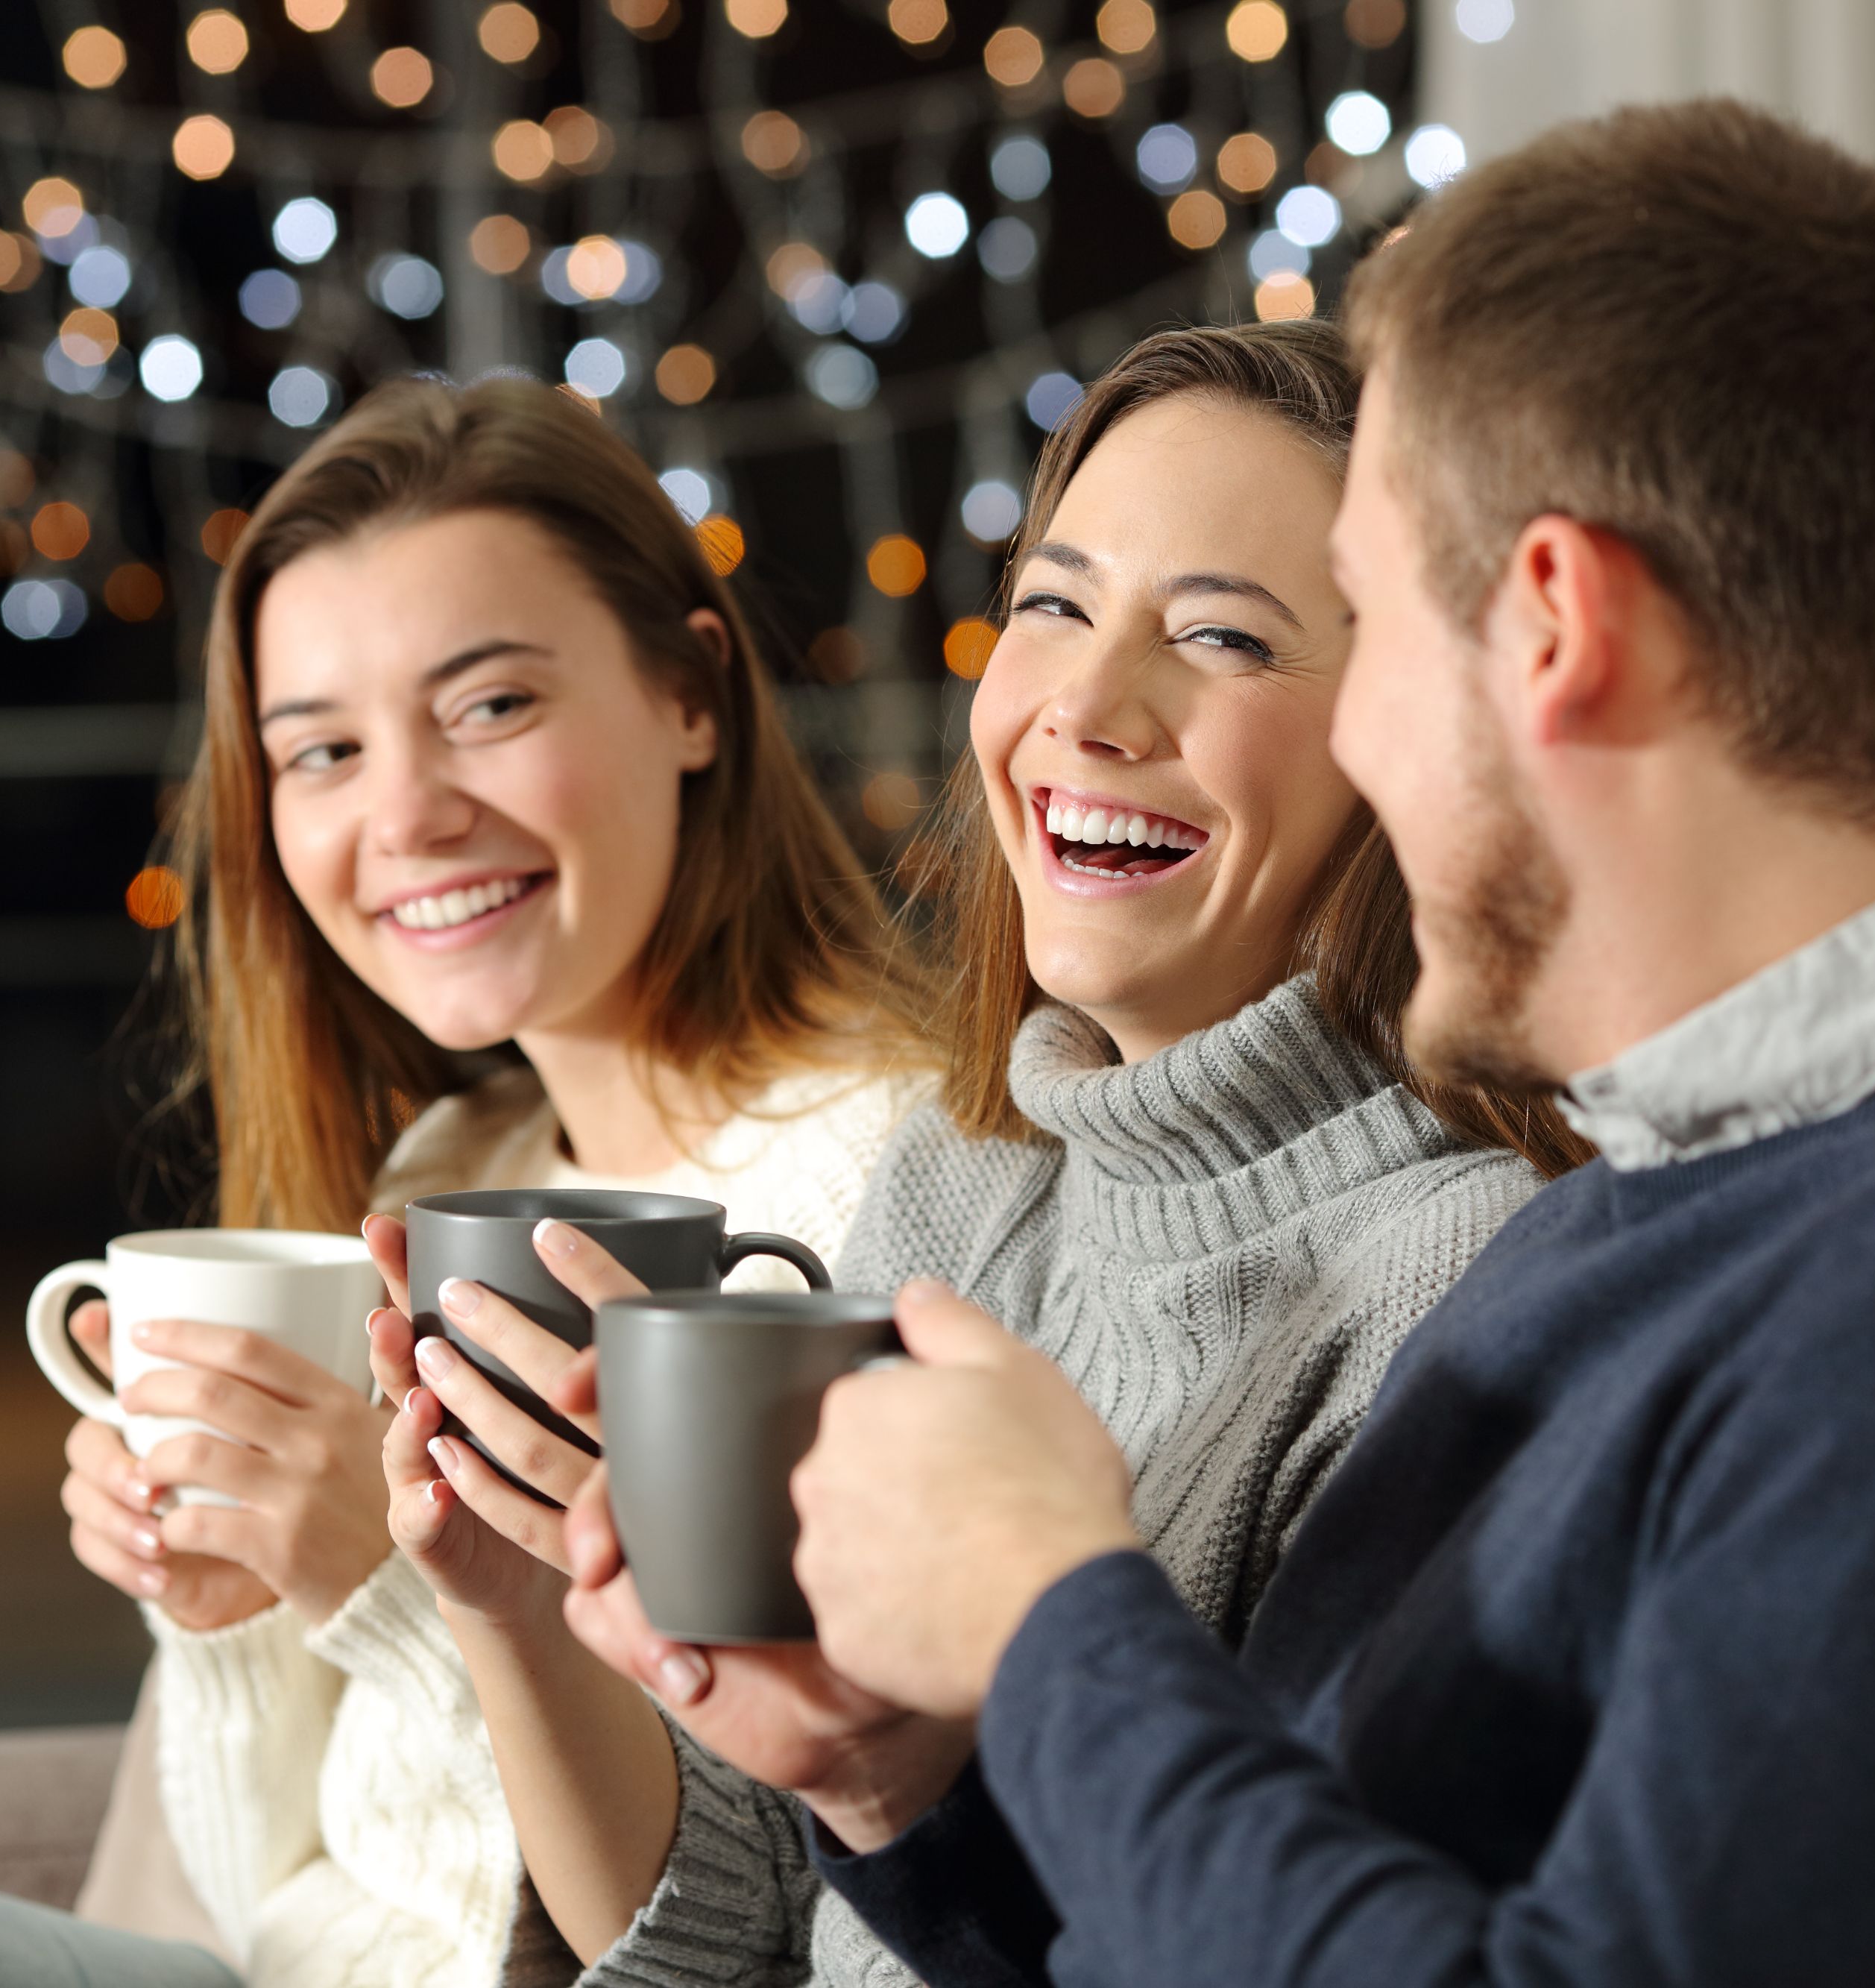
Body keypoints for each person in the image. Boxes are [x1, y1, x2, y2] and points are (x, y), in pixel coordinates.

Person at [695, 100, 1875, 1987]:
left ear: (1556, 626)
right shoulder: (1630, 1229)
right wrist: (908, 1786)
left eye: (1370, 622)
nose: (1361, 754)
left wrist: (1048, 1619)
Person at [0, 377, 930, 1988]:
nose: (405, 814)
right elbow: (249, 1896)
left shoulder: (876, 1192)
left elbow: (713, 1925)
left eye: (491, 706)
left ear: (693, 692)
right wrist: (227, 1619)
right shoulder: (449, 1169)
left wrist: (375, 1577)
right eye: (323, 749)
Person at [358, 322, 1589, 1986]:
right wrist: (516, 1609)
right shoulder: (967, 1167)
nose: (1086, 706)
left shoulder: (1463, 1287)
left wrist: (917, 1766)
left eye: (1221, 636)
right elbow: (747, 1936)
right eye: (1052, 606)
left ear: (1414, 744)